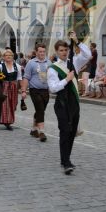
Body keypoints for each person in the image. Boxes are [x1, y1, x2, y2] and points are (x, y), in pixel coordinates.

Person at [47, 32, 91, 175]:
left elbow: (88, 55)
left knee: (72, 133)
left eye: (66, 50)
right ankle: (65, 162)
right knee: (65, 131)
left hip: (74, 103)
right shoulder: (53, 68)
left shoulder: (74, 62)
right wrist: (67, 79)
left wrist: (77, 42)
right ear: (57, 52)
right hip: (61, 103)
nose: (64, 52)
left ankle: (66, 158)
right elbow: (53, 88)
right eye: (61, 50)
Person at [21, 43, 51, 142]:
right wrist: (24, 91)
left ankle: (34, 129)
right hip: (34, 90)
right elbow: (26, 77)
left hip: (45, 90)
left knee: (41, 110)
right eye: (40, 51)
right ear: (36, 52)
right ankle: (41, 131)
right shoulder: (31, 63)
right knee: (40, 109)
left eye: (43, 51)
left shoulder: (49, 62)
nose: (42, 53)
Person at [0, 49, 22, 130]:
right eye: (6, 55)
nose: (8, 57)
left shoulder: (18, 66)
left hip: (14, 86)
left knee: (13, 103)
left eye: (10, 55)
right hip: (5, 86)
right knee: (6, 104)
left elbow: (20, 78)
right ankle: (7, 122)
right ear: (4, 57)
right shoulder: (0, 66)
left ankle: (9, 120)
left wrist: (22, 89)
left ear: (13, 57)